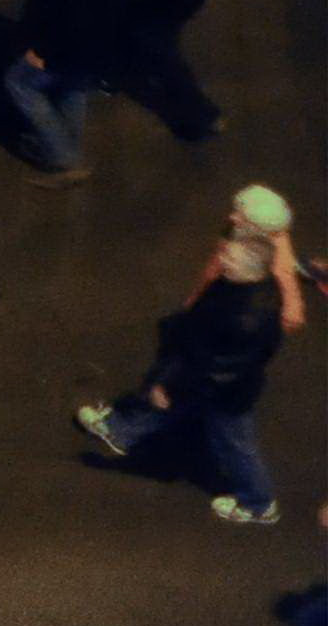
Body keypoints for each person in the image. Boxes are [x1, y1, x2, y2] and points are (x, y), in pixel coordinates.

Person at [74, 187, 300, 524]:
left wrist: (173, 384)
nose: (222, 258)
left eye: (230, 259)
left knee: (233, 443)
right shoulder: (248, 278)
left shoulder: (248, 316)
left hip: (222, 390)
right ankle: (120, 430)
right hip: (206, 368)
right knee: (167, 401)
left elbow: (216, 367)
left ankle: (258, 503)